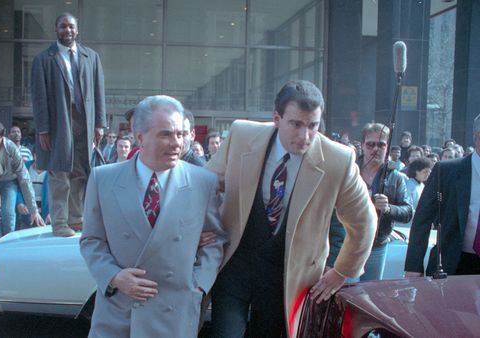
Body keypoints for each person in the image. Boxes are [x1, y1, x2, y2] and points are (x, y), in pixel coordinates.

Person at [206, 80, 377, 337]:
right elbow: (205, 186)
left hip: (288, 277)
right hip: (234, 265)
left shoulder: (338, 159)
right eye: (296, 124)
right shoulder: (242, 135)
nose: (305, 135)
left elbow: (364, 222)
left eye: (313, 126)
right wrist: (196, 228)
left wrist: (342, 271)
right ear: (277, 118)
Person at [80, 95, 226, 337]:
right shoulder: (102, 179)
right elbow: (91, 241)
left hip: (174, 313)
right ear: (140, 137)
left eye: (180, 134)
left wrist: (197, 285)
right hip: (118, 313)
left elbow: (215, 241)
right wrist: (114, 277)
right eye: (166, 134)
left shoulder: (203, 182)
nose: (176, 143)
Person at [31, 12, 106, 237]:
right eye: (63, 26)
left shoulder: (90, 57)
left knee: (80, 173)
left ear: (77, 29)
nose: (68, 30)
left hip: (84, 122)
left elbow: (99, 92)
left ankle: (76, 219)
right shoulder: (44, 59)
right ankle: (60, 223)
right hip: (57, 125)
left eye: (71, 27)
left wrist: (99, 124)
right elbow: (39, 97)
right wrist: (43, 128)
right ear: (56, 30)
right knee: (60, 174)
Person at [405, 114, 480, 276]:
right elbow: (422, 220)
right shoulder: (446, 171)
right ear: (478, 136)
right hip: (454, 264)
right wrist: (413, 267)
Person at [356, 123, 412, 281]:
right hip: (348, 244)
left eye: (381, 144)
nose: (375, 149)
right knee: (346, 294)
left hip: (377, 245)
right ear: (362, 145)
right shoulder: (350, 171)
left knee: (369, 294)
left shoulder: (396, 176)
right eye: (370, 144)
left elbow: (408, 212)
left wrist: (388, 208)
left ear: (387, 147)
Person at [395, 157, 433, 228]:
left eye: (429, 171)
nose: (428, 174)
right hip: (404, 226)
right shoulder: (409, 186)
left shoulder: (421, 185)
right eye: (425, 172)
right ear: (417, 171)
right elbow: (408, 208)